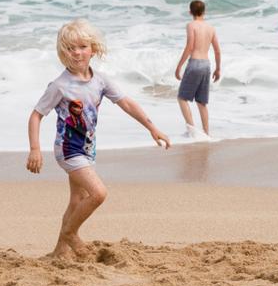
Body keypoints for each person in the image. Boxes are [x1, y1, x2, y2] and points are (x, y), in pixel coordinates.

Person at [26, 19, 170, 259]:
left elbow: (126, 103)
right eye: (70, 48)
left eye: (82, 46)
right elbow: (36, 115)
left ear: (92, 48)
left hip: (87, 148)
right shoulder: (60, 86)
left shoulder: (100, 80)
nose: (77, 52)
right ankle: (71, 234)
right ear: (63, 52)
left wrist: (151, 128)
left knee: (77, 198)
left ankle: (59, 251)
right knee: (98, 193)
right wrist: (34, 149)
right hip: (68, 149)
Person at [174, 0, 222, 139]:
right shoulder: (211, 28)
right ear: (204, 12)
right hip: (206, 65)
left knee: (182, 98)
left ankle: (192, 130)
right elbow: (217, 51)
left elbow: (190, 47)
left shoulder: (191, 25)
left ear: (190, 12)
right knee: (201, 101)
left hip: (195, 63)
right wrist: (218, 69)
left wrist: (179, 66)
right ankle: (206, 133)